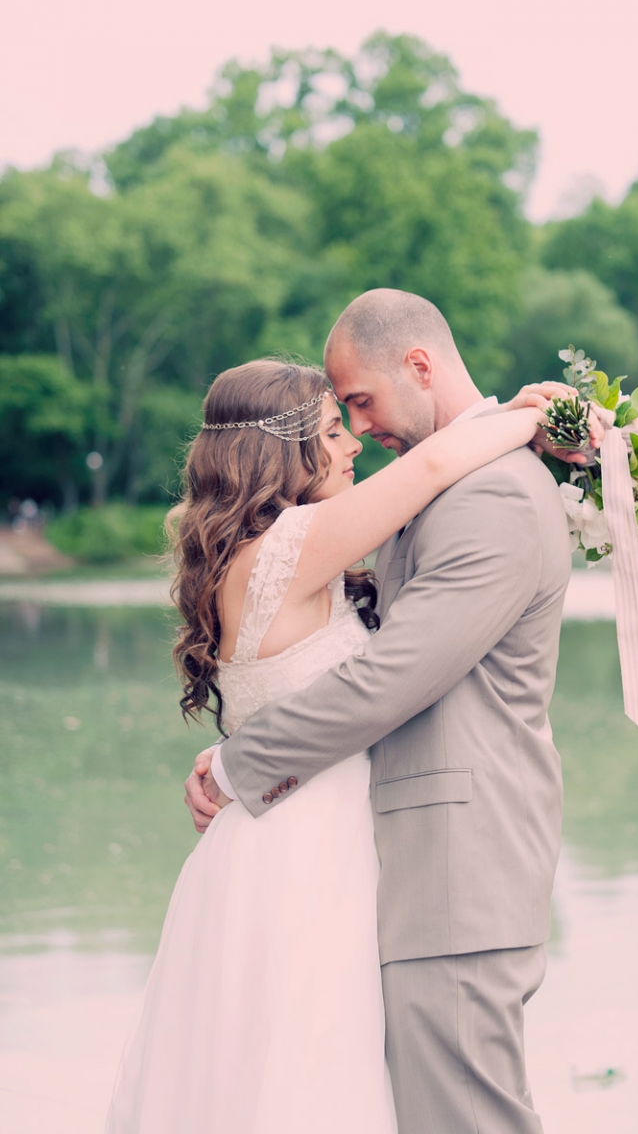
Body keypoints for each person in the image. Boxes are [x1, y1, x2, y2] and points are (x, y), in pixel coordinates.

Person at [106, 340, 590, 1133]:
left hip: (284, 841)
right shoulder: (296, 546)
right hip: (304, 851)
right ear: (285, 453)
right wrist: (527, 419)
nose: (353, 442)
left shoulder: (259, 555)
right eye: (334, 429)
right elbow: (431, 471)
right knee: (308, 1072)